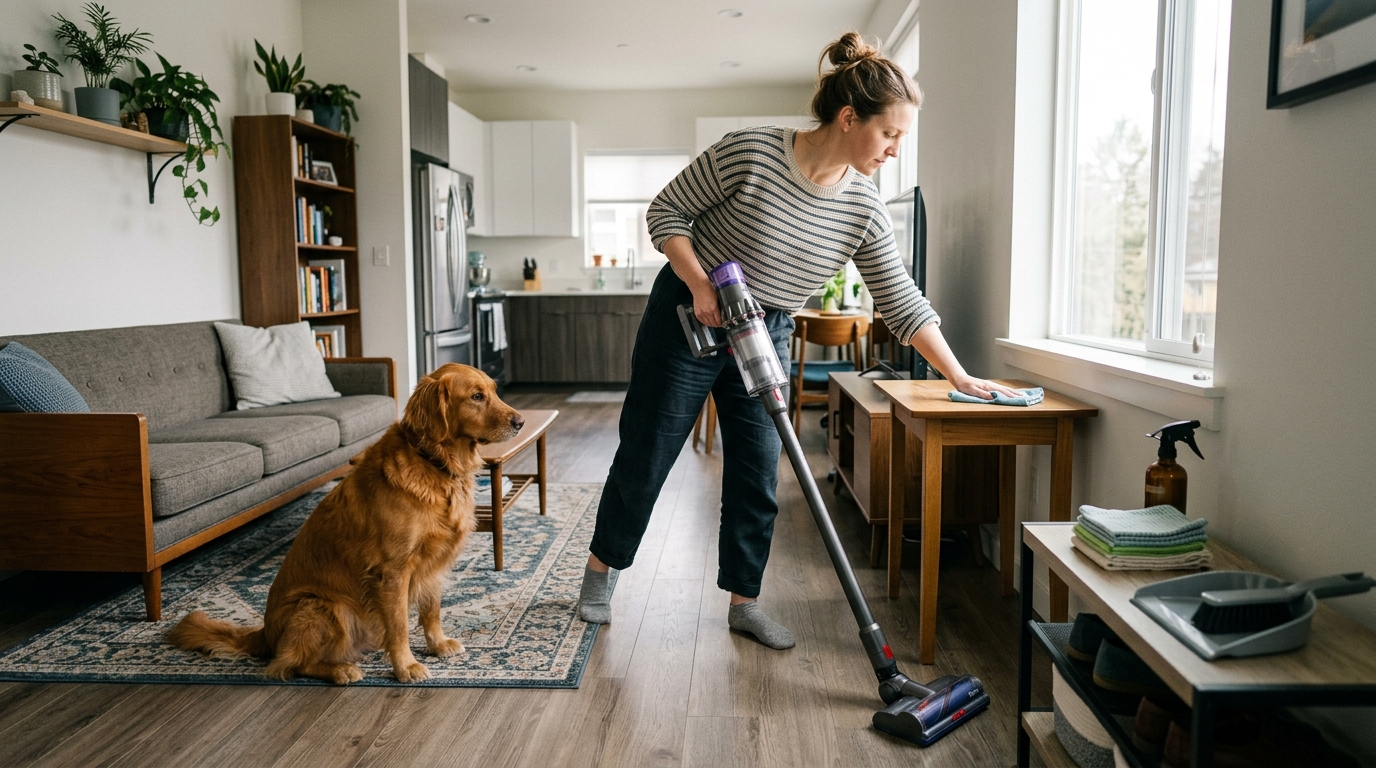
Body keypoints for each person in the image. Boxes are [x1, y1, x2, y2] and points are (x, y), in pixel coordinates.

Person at [577, 32, 1022, 648]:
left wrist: (961, 376)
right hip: (692, 311)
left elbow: (900, 299)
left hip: (768, 328)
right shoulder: (752, 153)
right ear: (848, 118)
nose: (895, 150)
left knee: (759, 469)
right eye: (890, 134)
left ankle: (744, 600)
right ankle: (602, 571)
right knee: (650, 448)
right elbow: (666, 212)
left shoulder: (862, 205)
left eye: (902, 139)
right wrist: (701, 284)